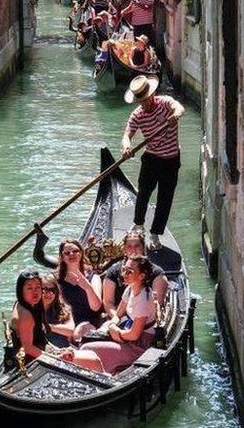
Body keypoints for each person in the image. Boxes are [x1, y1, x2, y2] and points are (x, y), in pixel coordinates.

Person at [121, 75, 186, 249]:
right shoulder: (138, 114)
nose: (144, 103)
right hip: (151, 158)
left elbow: (179, 108)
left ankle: (156, 235)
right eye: (140, 101)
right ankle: (139, 224)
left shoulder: (165, 103)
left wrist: (175, 115)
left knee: (165, 199)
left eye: (146, 99)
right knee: (143, 192)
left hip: (171, 160)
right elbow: (127, 135)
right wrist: (126, 147)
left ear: (152, 94)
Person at [11, 271, 104, 371]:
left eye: (38, 287)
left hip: (45, 350)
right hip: (35, 360)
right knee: (94, 360)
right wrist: (55, 358)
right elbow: (28, 348)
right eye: (30, 288)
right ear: (21, 290)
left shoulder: (22, 304)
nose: (35, 292)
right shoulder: (26, 315)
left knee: (92, 354)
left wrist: (58, 350)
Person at [80, 256, 158, 373]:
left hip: (138, 346)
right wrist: (112, 325)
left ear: (141, 276)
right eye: (124, 269)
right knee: (89, 338)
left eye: (129, 272)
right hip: (125, 333)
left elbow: (134, 335)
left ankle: (101, 375)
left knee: (86, 348)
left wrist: (118, 334)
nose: (124, 274)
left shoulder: (144, 300)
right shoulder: (130, 289)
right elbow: (118, 314)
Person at [100, 232, 168, 319]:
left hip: (144, 320)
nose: (133, 250)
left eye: (137, 246)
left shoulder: (157, 274)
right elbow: (108, 302)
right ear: (124, 249)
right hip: (118, 317)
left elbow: (156, 306)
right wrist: (116, 318)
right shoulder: (113, 272)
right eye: (129, 246)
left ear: (143, 248)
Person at [56, 239, 104, 339]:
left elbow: (96, 307)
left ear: (81, 253)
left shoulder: (94, 278)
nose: (71, 254)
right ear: (62, 257)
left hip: (88, 323)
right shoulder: (57, 280)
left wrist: (87, 287)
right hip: (66, 322)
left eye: (75, 251)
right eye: (67, 253)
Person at [41, 274, 75, 348]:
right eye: (45, 289)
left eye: (52, 290)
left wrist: (48, 327)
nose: (49, 293)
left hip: (63, 349)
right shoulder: (32, 309)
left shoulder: (64, 309)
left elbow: (70, 331)